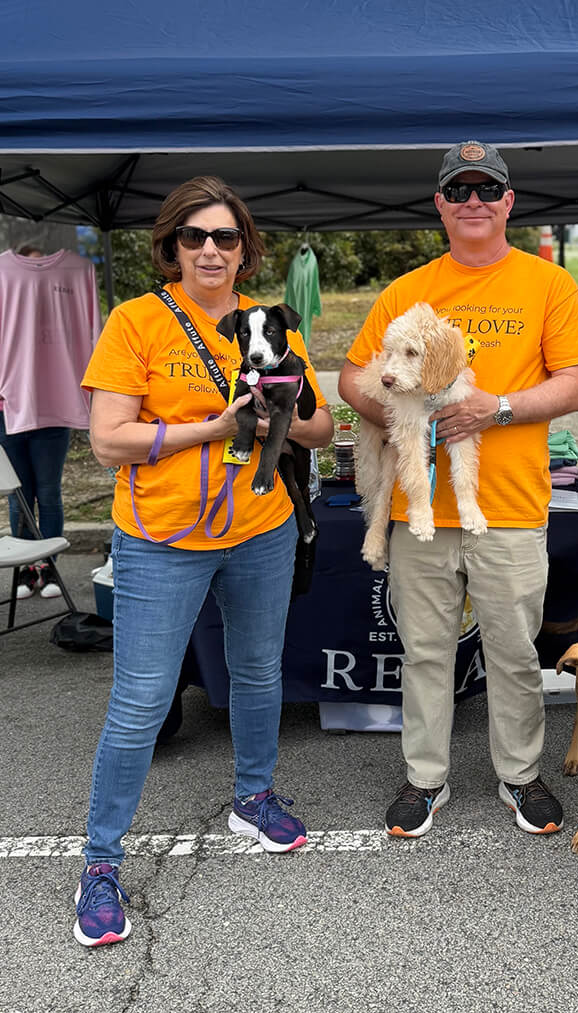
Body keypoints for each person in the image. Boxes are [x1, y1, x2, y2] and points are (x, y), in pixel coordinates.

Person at [73, 176, 335, 947]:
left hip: (261, 529)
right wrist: (214, 427)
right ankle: (98, 864)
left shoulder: (273, 325)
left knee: (258, 673)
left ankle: (253, 797)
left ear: (246, 249)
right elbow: (107, 439)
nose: (211, 251)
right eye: (196, 238)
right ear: (172, 246)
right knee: (141, 700)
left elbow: (317, 430)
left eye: (225, 238)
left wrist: (287, 403)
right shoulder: (138, 320)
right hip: (162, 539)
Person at [339, 140, 578, 839]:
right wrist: (405, 419)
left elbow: (577, 383)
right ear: (441, 206)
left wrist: (499, 408)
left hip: (509, 507)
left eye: (488, 190)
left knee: (514, 651)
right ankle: (425, 779)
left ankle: (519, 774)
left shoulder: (548, 285)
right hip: (421, 510)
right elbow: (352, 378)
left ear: (510, 202)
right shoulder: (407, 291)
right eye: (460, 191)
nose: (475, 201)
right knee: (425, 651)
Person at [0, 244, 94, 600]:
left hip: (55, 406)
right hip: (8, 408)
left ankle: (48, 565)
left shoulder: (74, 271)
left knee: (50, 492)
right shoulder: (4, 272)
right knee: (19, 496)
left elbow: (91, 333)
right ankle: (25, 570)